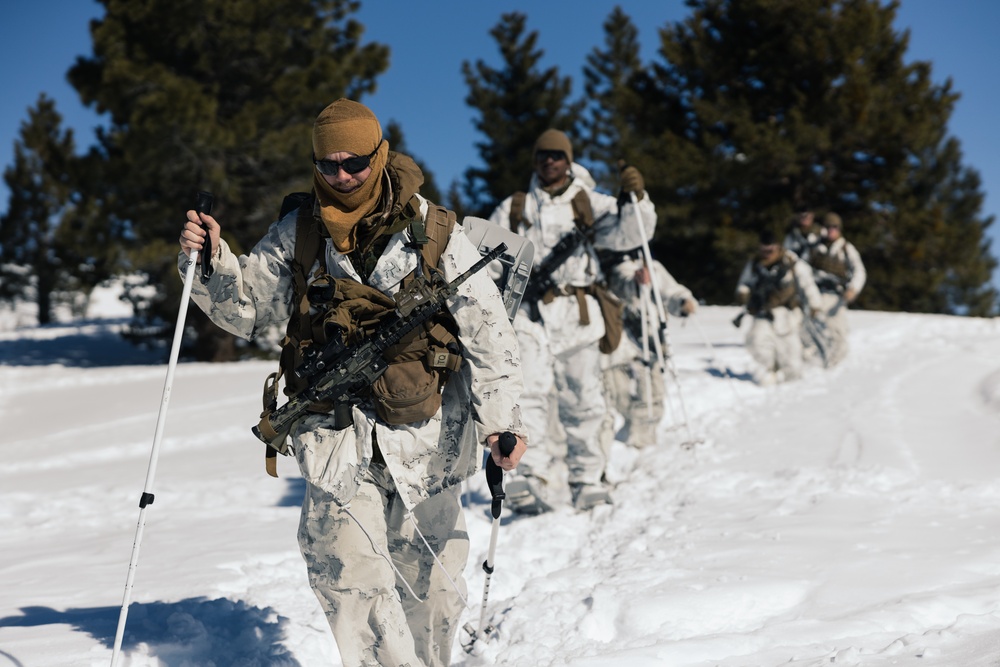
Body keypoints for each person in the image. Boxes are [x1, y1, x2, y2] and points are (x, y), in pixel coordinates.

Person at [178, 98, 527, 667]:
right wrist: (212, 258)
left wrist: (503, 423)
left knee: (431, 588)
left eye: (354, 163)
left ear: (380, 154)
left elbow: (489, 332)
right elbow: (245, 310)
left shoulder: (434, 231)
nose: (341, 176)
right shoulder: (300, 233)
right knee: (351, 583)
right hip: (333, 433)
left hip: (426, 435)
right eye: (327, 165)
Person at [488, 129, 656, 514]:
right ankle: (528, 478)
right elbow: (491, 259)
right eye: (543, 155)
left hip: (578, 315)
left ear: (568, 160)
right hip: (530, 316)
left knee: (584, 399)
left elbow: (635, 232)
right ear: (536, 160)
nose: (550, 161)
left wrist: (637, 200)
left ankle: (587, 478)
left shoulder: (591, 202)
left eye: (557, 155)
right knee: (527, 399)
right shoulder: (514, 207)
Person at [599, 251, 697, 449]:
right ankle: (629, 431)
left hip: (649, 342)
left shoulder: (651, 267)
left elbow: (670, 291)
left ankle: (643, 439)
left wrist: (682, 301)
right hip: (617, 344)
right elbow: (622, 286)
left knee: (652, 392)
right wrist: (635, 284)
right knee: (618, 392)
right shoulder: (601, 268)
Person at [734, 229, 822, 386]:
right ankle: (770, 369)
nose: (767, 253)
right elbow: (744, 283)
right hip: (763, 313)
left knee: (790, 354)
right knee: (756, 342)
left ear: (777, 246)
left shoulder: (791, 262)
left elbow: (807, 284)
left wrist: (815, 304)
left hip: (787, 314)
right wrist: (743, 293)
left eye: (770, 249)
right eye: (763, 249)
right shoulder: (754, 264)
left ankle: (794, 384)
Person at [805, 212, 866, 367]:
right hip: (815, 294)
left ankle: (838, 364)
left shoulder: (846, 248)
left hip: (836, 296)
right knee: (806, 326)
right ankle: (810, 360)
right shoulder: (814, 247)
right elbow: (802, 268)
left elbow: (859, 271)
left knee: (836, 329)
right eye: (828, 227)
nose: (831, 230)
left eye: (835, 227)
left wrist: (853, 289)